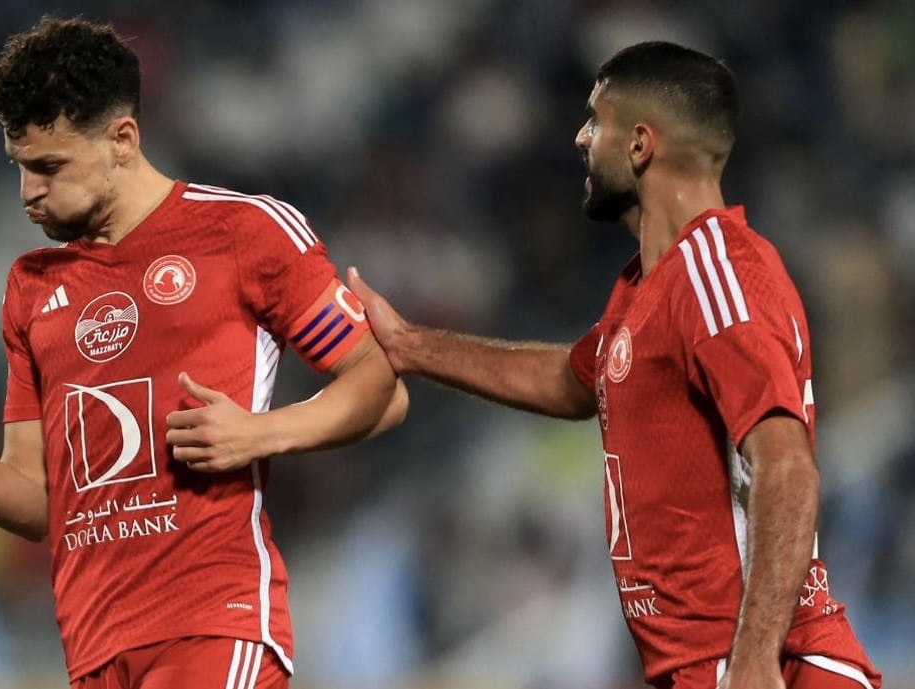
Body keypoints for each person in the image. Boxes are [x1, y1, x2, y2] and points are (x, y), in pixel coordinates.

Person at [0, 15, 408, 689]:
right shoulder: (31, 288)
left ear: (122, 140)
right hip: (95, 646)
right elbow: (38, 501)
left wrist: (262, 432)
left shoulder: (243, 232)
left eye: (49, 167)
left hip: (213, 622)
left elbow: (381, 385)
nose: (29, 192)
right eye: (20, 167)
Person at [348, 42, 880, 689]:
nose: (580, 137)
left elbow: (788, 465)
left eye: (595, 121)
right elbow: (569, 380)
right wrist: (409, 345)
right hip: (705, 666)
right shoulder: (648, 288)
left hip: (766, 668)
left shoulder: (716, 274)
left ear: (639, 144)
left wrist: (754, 658)